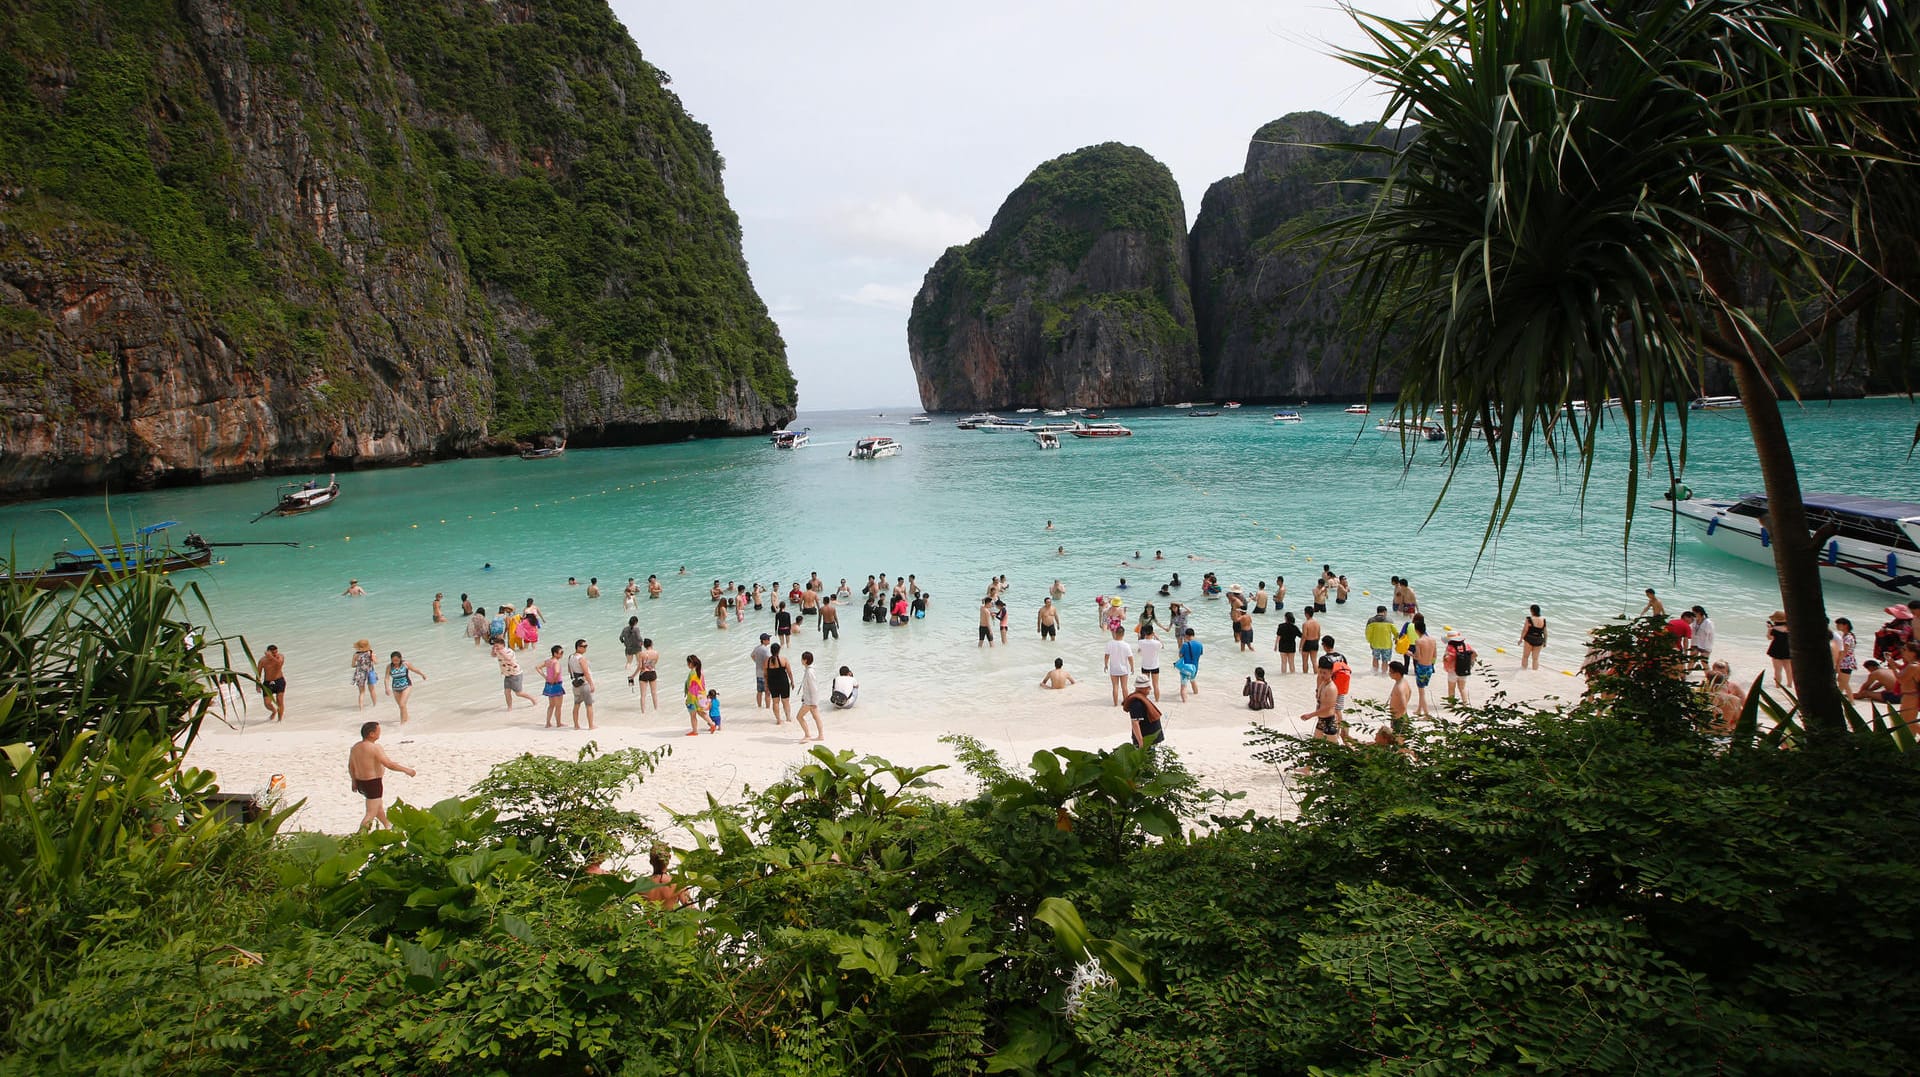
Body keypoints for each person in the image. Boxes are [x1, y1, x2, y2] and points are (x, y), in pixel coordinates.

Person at [349, 721, 415, 831]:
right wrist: (406, 770)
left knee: (378, 807)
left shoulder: (355, 747)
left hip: (361, 782)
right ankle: (359, 837)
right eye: (378, 731)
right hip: (372, 783)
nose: (380, 733)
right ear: (371, 734)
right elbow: (388, 764)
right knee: (371, 813)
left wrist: (354, 781)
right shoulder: (374, 747)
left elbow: (351, 766)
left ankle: (388, 826)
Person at [1301, 659, 1345, 744]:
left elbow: (1327, 707)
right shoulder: (1323, 683)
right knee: (1314, 747)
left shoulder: (1331, 688)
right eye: (1320, 672)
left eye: (1324, 673)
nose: (1321, 675)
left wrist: (1310, 715)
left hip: (1329, 721)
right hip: (1321, 720)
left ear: (1331, 672)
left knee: (1334, 749)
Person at [643, 843, 692, 907]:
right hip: (670, 916)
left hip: (650, 917)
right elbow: (691, 908)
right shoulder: (677, 883)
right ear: (669, 858)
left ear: (651, 861)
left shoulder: (641, 884)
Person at [1123, 674, 1164, 748]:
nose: (1150, 689)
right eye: (1148, 687)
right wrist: (1141, 743)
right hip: (1145, 740)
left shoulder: (1141, 698)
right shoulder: (1136, 703)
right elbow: (1135, 723)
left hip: (1149, 740)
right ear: (1142, 688)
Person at [494, 637, 536, 709]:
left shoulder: (509, 651)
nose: (496, 647)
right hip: (507, 675)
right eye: (495, 646)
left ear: (502, 645)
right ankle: (509, 708)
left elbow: (508, 659)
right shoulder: (498, 652)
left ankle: (533, 699)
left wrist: (501, 652)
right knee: (506, 692)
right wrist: (494, 650)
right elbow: (493, 655)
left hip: (515, 674)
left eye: (497, 646)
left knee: (518, 693)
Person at [386, 651, 425, 724]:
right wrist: (386, 688)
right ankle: (407, 720)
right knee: (402, 706)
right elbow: (386, 678)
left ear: (400, 658)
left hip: (407, 686)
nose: (395, 662)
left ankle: (402, 723)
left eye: (397, 660)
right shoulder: (389, 667)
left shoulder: (405, 664)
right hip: (395, 688)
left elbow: (414, 669)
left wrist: (422, 674)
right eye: (393, 660)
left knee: (402, 704)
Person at [1410, 614, 1437, 716]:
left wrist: (1408, 653)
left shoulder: (1418, 641)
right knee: (1422, 690)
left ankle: (1426, 714)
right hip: (1429, 667)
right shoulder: (1433, 640)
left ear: (1416, 630)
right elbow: (1434, 655)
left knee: (1421, 692)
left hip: (1421, 667)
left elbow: (1418, 657)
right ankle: (1419, 710)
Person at [794, 651, 824, 741]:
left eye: (802, 659)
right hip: (810, 699)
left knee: (799, 717)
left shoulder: (809, 672)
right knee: (816, 717)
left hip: (810, 701)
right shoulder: (809, 670)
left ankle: (807, 735)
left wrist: (813, 702)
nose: (801, 660)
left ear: (805, 660)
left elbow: (813, 687)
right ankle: (821, 736)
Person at [567, 639, 596, 730]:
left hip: (576, 683)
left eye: (586, 646)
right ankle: (591, 725)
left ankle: (576, 725)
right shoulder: (581, 658)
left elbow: (570, 671)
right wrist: (591, 684)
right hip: (584, 683)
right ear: (578, 647)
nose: (585, 648)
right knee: (589, 705)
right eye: (584, 646)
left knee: (576, 704)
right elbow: (586, 673)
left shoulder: (570, 657)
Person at [1103, 628, 1135, 706]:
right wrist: (1132, 667)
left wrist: (1106, 665)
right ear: (1123, 634)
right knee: (1124, 687)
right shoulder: (1126, 645)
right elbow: (1130, 658)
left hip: (1114, 669)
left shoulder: (1109, 644)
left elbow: (1106, 656)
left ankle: (1115, 704)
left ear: (1115, 633)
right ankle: (1126, 704)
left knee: (1115, 687)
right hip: (1124, 670)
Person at [1444, 631, 1476, 706]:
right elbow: (1475, 654)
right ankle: (1465, 703)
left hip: (1452, 671)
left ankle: (1452, 705)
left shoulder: (1450, 647)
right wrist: (1471, 662)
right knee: (1462, 688)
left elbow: (1448, 658)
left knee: (1451, 688)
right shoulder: (1466, 645)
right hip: (1464, 669)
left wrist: (1444, 658)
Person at [765, 643, 794, 725]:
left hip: (772, 684)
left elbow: (765, 675)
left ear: (771, 651)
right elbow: (789, 672)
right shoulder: (783, 659)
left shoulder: (767, 661)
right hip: (783, 683)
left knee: (775, 702)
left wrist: (766, 687)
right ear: (779, 650)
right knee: (786, 701)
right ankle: (788, 718)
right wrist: (792, 681)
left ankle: (778, 720)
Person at [257, 644, 286, 721]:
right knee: (267, 703)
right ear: (268, 652)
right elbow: (258, 673)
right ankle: (274, 711)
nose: (275, 654)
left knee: (279, 701)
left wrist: (272, 657)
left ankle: (280, 720)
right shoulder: (262, 661)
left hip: (279, 681)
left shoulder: (280, 657)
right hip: (267, 682)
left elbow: (279, 664)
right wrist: (258, 684)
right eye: (273, 653)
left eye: (276, 652)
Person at [540, 645, 567, 727]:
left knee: (551, 705)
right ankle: (558, 723)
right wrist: (553, 680)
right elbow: (557, 672)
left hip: (548, 684)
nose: (562, 654)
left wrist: (546, 677)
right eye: (561, 653)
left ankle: (548, 723)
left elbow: (537, 667)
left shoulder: (548, 661)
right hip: (556, 685)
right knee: (558, 706)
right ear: (555, 653)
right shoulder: (556, 662)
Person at [683, 655, 710, 736]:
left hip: (693, 697)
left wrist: (688, 698)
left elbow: (690, 686)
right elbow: (703, 684)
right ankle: (712, 724)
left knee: (693, 715)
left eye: (687, 663)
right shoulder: (700, 671)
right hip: (702, 695)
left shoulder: (692, 673)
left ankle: (695, 731)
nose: (687, 664)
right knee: (701, 712)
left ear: (691, 663)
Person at [1766, 611, 1793, 688]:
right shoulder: (1790, 629)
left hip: (1776, 650)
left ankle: (1778, 686)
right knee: (1788, 669)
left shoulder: (1774, 629)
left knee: (1778, 670)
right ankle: (1790, 685)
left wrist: (1769, 630)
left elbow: (1769, 638)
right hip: (1788, 650)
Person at [1365, 607, 1395, 674]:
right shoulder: (1390, 620)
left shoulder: (1371, 620)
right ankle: (1383, 675)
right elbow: (1395, 632)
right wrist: (1396, 638)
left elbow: (1367, 633)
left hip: (1375, 644)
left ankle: (1375, 673)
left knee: (1375, 658)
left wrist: (1370, 641)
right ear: (1384, 612)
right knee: (1385, 660)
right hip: (1387, 645)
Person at [1136, 625, 1163, 701]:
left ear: (1144, 633)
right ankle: (1157, 701)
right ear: (1152, 632)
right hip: (1155, 666)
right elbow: (1162, 645)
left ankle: (1144, 701)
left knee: (1144, 685)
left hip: (1145, 666)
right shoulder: (1157, 643)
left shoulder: (1141, 642)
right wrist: (1156, 636)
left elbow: (1139, 649)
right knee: (1156, 685)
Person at [350, 639, 379, 709]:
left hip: (359, 673)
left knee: (361, 692)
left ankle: (361, 708)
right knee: (372, 690)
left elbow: (353, 665)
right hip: (370, 671)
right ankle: (375, 705)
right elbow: (376, 662)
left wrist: (358, 666)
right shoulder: (370, 653)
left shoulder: (356, 655)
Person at [1833, 617, 1858, 695]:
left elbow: (1844, 652)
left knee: (1843, 683)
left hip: (1846, 662)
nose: (1837, 626)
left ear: (1845, 625)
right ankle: (1849, 700)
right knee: (1843, 683)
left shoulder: (1848, 637)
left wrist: (1838, 664)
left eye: (1838, 624)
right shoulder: (1846, 635)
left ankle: (1848, 700)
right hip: (1846, 661)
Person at [1177, 628, 1203, 702]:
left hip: (1186, 668)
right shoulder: (1200, 644)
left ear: (1186, 636)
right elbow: (1200, 654)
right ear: (1193, 635)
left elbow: (1180, 655)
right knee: (1193, 681)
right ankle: (1196, 697)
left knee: (1183, 687)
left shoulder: (1185, 645)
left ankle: (1184, 703)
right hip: (1195, 667)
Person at [1387, 660, 1412, 736]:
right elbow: (1410, 691)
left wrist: (1396, 718)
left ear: (1397, 673)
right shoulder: (1403, 681)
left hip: (1399, 719)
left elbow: (1404, 706)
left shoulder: (1399, 687)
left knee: (1399, 743)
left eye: (1391, 672)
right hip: (1401, 716)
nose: (1389, 673)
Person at [1519, 605, 1548, 670]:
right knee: (1535, 659)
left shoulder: (1529, 619)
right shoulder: (1543, 620)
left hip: (1529, 638)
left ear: (1532, 611)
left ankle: (1523, 671)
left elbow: (1525, 630)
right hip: (1539, 640)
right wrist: (1545, 642)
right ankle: (1534, 674)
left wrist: (1521, 639)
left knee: (1525, 656)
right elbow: (1545, 633)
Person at [635, 638, 660, 712]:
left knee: (643, 695)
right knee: (654, 693)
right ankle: (656, 710)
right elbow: (654, 664)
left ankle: (643, 712)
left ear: (644, 646)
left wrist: (633, 676)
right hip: (652, 672)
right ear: (651, 644)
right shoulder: (656, 653)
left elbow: (640, 667)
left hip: (643, 674)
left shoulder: (642, 654)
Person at [621, 616, 644, 683]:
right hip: (637, 647)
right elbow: (639, 638)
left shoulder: (625, 629)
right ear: (636, 622)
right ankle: (639, 675)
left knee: (629, 662)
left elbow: (620, 637)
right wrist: (642, 642)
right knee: (639, 662)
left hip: (628, 648)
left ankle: (627, 674)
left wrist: (624, 642)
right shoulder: (636, 629)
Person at [1300, 609, 1322, 673]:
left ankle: (1305, 676)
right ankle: (1316, 676)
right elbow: (1319, 634)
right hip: (1315, 642)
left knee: (1305, 661)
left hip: (1307, 642)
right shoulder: (1317, 623)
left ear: (1306, 614)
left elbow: (1304, 636)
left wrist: (1301, 646)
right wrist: (1316, 642)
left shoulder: (1305, 624)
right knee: (1314, 661)